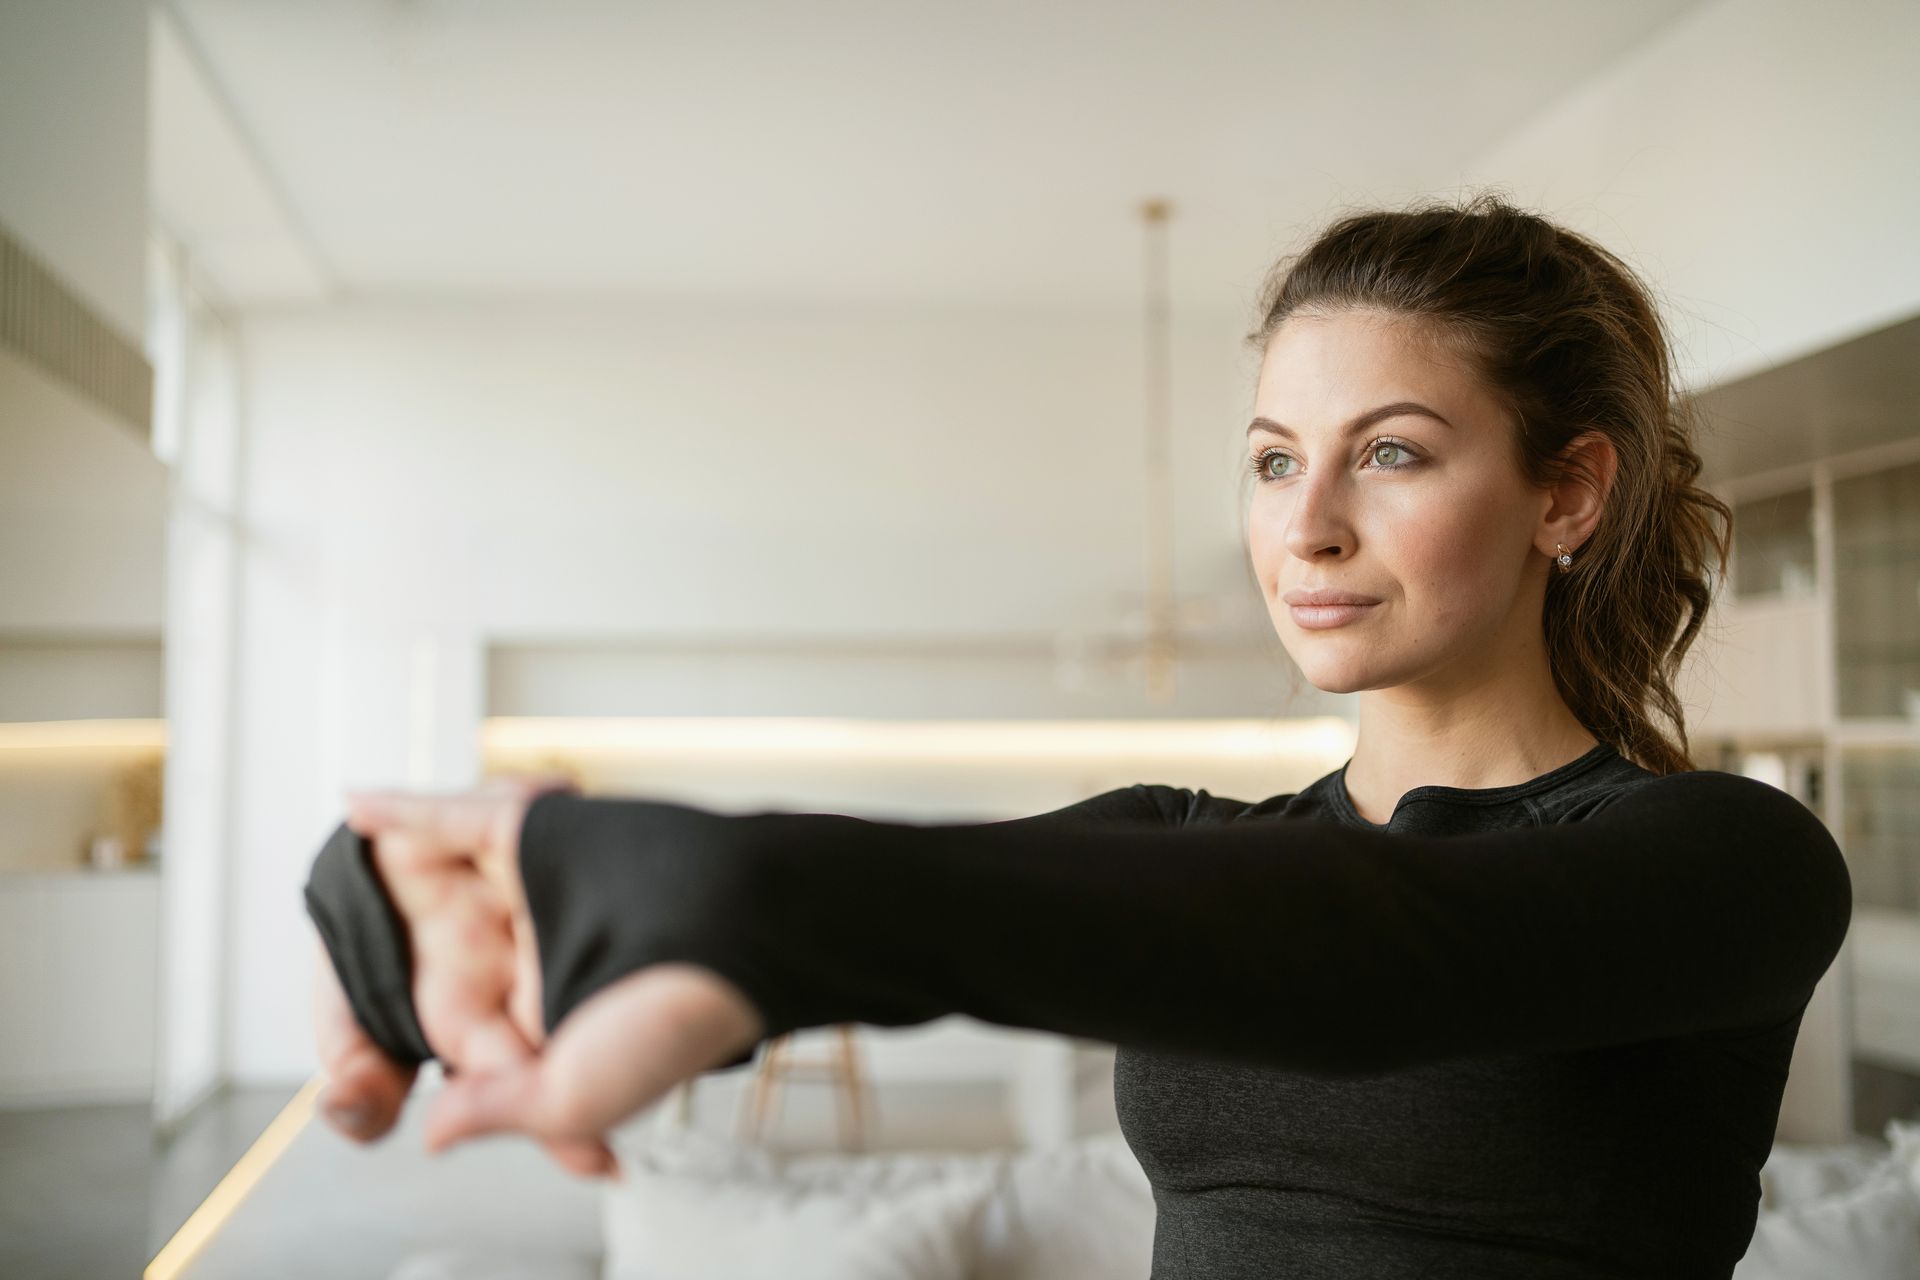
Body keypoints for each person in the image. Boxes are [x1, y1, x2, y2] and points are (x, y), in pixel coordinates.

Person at [305, 191, 1853, 1278]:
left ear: (1567, 493)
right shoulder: (1183, 850)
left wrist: (726, 897)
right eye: (1269, 460)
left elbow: (1384, 954)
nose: (1302, 527)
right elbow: (892, 914)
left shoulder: (1723, 865)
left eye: (1390, 453)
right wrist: (407, 908)